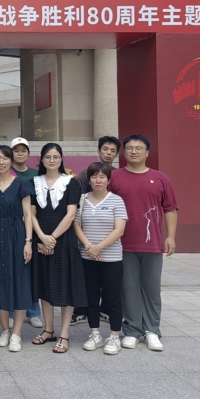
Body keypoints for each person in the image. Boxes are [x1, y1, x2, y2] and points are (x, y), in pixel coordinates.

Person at [109, 135, 178, 352]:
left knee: (151, 289)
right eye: (129, 148)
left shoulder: (160, 178)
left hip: (152, 243)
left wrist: (170, 236)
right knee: (128, 289)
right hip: (122, 244)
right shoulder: (114, 177)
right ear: (124, 152)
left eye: (138, 148)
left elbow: (170, 208)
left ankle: (152, 331)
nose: (133, 151)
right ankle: (131, 330)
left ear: (147, 152)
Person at [30, 143, 87, 354]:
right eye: (47, 157)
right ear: (42, 160)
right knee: (44, 285)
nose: (51, 160)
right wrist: (42, 238)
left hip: (64, 241)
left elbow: (71, 215)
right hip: (41, 237)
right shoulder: (33, 182)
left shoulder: (71, 183)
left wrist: (52, 238)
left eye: (55, 157)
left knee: (65, 286)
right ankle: (48, 330)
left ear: (61, 159)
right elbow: (31, 214)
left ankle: (64, 334)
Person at [73, 162, 127, 355]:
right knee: (91, 298)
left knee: (113, 298)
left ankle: (114, 336)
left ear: (108, 180)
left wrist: (99, 247)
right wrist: (89, 246)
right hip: (87, 257)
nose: (98, 180)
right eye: (94, 176)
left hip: (111, 259)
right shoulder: (81, 200)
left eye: (102, 177)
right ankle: (94, 334)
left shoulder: (116, 201)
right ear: (89, 179)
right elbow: (76, 225)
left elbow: (119, 230)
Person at [0, 145, 34, 353]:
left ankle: (17, 333)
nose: (1, 162)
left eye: (5, 158)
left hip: (17, 235)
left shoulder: (22, 184)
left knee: (19, 281)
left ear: (11, 161)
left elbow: (28, 215)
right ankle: (5, 330)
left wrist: (28, 241)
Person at [72, 135, 121, 326]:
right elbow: (80, 201)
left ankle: (106, 311)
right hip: (86, 231)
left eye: (113, 151)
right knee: (86, 278)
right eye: (105, 149)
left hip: (109, 233)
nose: (108, 153)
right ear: (98, 151)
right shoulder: (86, 174)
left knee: (109, 282)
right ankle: (81, 311)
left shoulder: (118, 175)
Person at [8, 137, 44, 329]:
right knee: (12, 270)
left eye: (23, 150)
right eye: (16, 151)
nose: (20, 154)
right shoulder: (5, 173)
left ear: (28, 154)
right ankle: (11, 311)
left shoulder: (36, 175)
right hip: (12, 226)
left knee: (30, 271)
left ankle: (33, 311)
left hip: (32, 225)